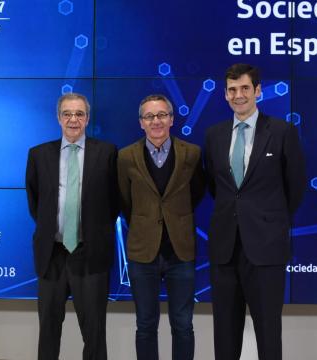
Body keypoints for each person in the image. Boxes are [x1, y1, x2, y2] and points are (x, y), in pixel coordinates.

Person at [204, 64, 307, 360]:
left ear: (258, 91)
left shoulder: (282, 131)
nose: (239, 95)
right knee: (224, 334)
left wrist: (267, 221)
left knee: (268, 332)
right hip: (224, 250)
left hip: (266, 249)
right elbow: (216, 186)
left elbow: (295, 187)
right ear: (225, 94)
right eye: (232, 90)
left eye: (245, 88)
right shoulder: (214, 135)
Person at [25, 93, 119, 360]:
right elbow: (35, 202)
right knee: (48, 331)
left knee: (94, 333)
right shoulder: (39, 154)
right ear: (58, 118)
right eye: (67, 113)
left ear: (87, 118)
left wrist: (92, 231)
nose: (73, 119)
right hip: (51, 255)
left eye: (79, 113)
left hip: (90, 254)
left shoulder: (107, 152)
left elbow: (114, 201)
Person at [118, 94, 205, 360]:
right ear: (141, 123)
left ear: (171, 118)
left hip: (180, 253)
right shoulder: (125, 156)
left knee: (183, 325)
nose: (156, 121)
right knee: (145, 325)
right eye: (149, 116)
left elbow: (197, 193)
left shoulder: (192, 153)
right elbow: (124, 199)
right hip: (143, 253)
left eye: (161, 115)